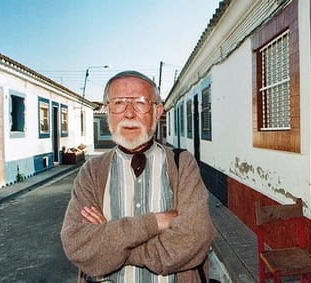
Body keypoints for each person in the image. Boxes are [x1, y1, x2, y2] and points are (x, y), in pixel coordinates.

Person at [61, 70, 217, 283]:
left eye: (141, 103)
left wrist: (115, 244)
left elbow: (194, 238)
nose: (129, 114)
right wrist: (155, 222)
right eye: (118, 104)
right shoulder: (91, 171)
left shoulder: (182, 164)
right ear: (107, 111)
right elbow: (77, 245)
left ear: (158, 111)